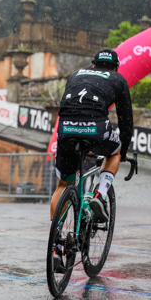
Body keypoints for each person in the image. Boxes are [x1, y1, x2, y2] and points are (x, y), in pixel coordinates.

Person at [49, 49, 133, 271]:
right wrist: (124, 149)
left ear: (93, 65)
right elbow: (126, 121)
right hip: (95, 127)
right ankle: (98, 194)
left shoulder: (76, 74)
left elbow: (69, 106)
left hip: (66, 128)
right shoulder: (118, 79)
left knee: (63, 185)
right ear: (115, 67)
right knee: (114, 153)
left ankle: (56, 246)